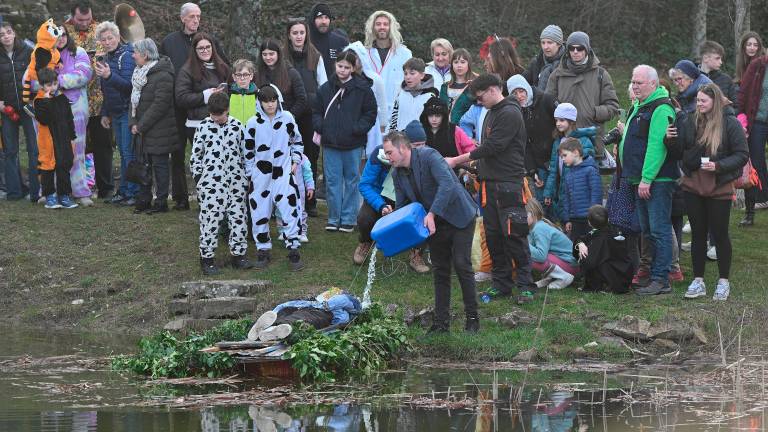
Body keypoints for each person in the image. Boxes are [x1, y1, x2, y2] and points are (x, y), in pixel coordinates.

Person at [445, 74, 537, 305]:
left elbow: (493, 146)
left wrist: (457, 160)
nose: (478, 101)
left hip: (509, 185)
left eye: (480, 96)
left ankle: (526, 285)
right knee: (494, 238)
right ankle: (502, 284)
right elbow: (487, 148)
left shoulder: (509, 113)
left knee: (514, 235)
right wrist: (474, 166)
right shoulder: (492, 112)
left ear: (493, 89)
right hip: (489, 185)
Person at [385, 131, 480, 333]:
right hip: (434, 224)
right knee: (440, 270)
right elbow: (404, 206)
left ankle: (472, 319)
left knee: (462, 264)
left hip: (459, 216)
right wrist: (392, 220)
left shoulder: (429, 156)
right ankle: (441, 323)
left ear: (403, 148)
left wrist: (432, 213)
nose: (387, 157)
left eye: (389, 152)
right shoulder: (396, 173)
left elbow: (448, 185)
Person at [675, 84, 748, 301]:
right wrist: (671, 139)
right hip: (693, 184)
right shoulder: (691, 120)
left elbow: (742, 154)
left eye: (703, 101)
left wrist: (719, 166)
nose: (699, 104)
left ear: (715, 101)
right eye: (697, 100)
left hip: (719, 185)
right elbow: (681, 150)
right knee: (698, 233)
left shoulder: (730, 123)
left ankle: (723, 281)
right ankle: (698, 281)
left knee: (720, 233)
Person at [160, 2, 229, 211]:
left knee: (209, 156)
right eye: (191, 16)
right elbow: (163, 68)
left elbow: (224, 66)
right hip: (177, 106)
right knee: (178, 153)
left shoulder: (210, 41)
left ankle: (211, 197)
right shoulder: (169, 42)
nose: (196, 20)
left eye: (198, 16)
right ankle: (181, 198)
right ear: (182, 18)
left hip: (205, 111)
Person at [618, 65, 678, 296]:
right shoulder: (640, 105)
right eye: (633, 82)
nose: (634, 86)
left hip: (657, 180)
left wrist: (647, 178)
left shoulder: (661, 108)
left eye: (639, 82)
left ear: (653, 84)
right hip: (639, 179)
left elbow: (657, 145)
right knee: (648, 231)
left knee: (659, 229)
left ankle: (661, 279)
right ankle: (653, 275)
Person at [313, 49, 377, 232]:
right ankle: (334, 218)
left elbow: (371, 112)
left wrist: (358, 129)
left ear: (353, 68)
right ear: (335, 65)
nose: (342, 70)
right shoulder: (325, 89)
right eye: (340, 66)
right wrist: (321, 127)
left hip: (353, 143)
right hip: (330, 142)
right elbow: (316, 110)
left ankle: (349, 218)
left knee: (352, 180)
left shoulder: (362, 89)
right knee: (332, 180)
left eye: (346, 67)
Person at [354, 121, 431, 273]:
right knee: (365, 218)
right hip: (380, 197)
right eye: (415, 145)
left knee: (424, 215)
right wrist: (380, 205)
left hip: (409, 199)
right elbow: (365, 184)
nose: (419, 149)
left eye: (422, 144)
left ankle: (417, 253)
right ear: (403, 145)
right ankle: (366, 242)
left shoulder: (426, 157)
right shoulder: (380, 154)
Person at [190, 92, 253, 275]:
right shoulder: (203, 127)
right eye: (213, 115)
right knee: (210, 221)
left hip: (236, 183)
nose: (216, 118)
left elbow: (245, 154)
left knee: (238, 219)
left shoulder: (238, 127)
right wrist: (199, 178)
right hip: (211, 185)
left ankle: (238, 255)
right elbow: (196, 156)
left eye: (220, 115)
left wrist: (246, 178)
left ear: (227, 110)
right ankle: (207, 258)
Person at [245, 85, 305, 271]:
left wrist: (295, 161)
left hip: (284, 173)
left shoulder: (287, 118)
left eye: (273, 101)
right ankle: (263, 250)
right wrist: (251, 173)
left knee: (289, 209)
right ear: (260, 102)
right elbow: (247, 151)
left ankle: (293, 249)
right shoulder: (253, 123)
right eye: (266, 101)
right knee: (259, 212)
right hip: (260, 177)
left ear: (277, 100)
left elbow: (297, 141)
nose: (270, 105)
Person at [65, 1, 112, 200]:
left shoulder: (101, 30)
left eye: (88, 19)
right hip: (74, 103)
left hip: (100, 98)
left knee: (103, 145)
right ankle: (73, 187)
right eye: (80, 20)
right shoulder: (63, 32)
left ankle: (105, 188)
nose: (85, 23)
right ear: (72, 17)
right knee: (74, 146)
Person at [175, 32, 230, 197]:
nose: (205, 50)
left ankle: (223, 200)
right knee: (206, 166)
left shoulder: (223, 67)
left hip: (222, 123)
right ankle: (207, 201)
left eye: (208, 47)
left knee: (223, 165)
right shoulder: (187, 70)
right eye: (201, 48)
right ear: (195, 50)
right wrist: (205, 96)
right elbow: (181, 98)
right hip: (198, 126)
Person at [546, 31, 619, 156]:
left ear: (587, 49)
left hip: (591, 142)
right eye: (571, 48)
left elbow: (613, 107)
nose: (575, 52)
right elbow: (547, 104)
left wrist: (594, 112)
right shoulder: (557, 74)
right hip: (563, 141)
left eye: (580, 48)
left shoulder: (601, 74)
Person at [284, 19, 328, 216]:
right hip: (289, 113)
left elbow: (323, 85)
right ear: (289, 35)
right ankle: (287, 197)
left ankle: (309, 203)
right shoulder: (282, 56)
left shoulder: (315, 56)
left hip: (309, 114)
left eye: (302, 32)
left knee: (309, 156)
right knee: (286, 155)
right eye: (295, 33)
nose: (299, 36)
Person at [130, 38, 177, 215]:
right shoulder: (138, 73)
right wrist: (133, 122)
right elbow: (133, 100)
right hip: (142, 130)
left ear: (146, 54)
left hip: (160, 130)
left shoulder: (163, 74)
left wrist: (140, 126)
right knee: (143, 165)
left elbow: (160, 105)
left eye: (136, 52)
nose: (133, 55)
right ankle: (144, 199)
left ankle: (161, 202)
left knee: (160, 166)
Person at [94, 21, 137, 206]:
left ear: (118, 37)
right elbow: (107, 90)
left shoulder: (126, 56)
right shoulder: (106, 58)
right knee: (123, 152)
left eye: (110, 38)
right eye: (103, 39)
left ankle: (132, 192)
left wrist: (109, 76)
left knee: (128, 153)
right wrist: (105, 113)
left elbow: (129, 86)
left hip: (127, 111)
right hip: (115, 112)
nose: (107, 41)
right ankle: (125, 191)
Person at [0, 21, 39, 201]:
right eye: (2, 34)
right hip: (6, 110)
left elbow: (38, 75)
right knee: (10, 151)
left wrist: (34, 97)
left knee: (33, 149)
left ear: (14, 33)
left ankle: (34, 191)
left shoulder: (28, 51)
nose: (6, 36)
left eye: (8, 32)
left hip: (27, 107)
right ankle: (15, 192)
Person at [55, 26, 93, 206]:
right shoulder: (44, 54)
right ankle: (54, 190)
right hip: (53, 108)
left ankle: (80, 191)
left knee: (77, 150)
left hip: (76, 107)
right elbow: (32, 79)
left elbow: (84, 75)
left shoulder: (79, 52)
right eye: (57, 35)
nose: (61, 38)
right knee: (54, 150)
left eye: (63, 34)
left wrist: (56, 82)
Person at [356, 11, 412, 126]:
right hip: (369, 112)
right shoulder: (363, 54)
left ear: (391, 27)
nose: (382, 27)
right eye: (378, 24)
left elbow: (411, 84)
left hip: (397, 114)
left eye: (385, 24)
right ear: (372, 27)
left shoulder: (404, 53)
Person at [506, 74, 557, 198]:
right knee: (543, 201)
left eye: (521, 91)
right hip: (539, 164)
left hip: (559, 157)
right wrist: (532, 170)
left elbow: (563, 123)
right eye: (514, 93)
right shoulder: (515, 112)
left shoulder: (546, 100)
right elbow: (523, 143)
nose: (519, 96)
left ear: (527, 88)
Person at [542, 103, 596, 222]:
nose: (557, 123)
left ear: (571, 121)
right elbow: (553, 170)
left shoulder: (583, 141)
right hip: (561, 188)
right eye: (556, 120)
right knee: (562, 219)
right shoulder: (558, 141)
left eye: (562, 120)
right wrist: (548, 192)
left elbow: (588, 166)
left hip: (576, 189)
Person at [33, 68, 78, 209]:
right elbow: (44, 119)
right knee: (48, 166)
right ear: (42, 85)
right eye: (48, 85)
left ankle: (64, 195)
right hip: (48, 140)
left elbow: (69, 119)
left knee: (64, 165)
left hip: (63, 137)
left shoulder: (63, 98)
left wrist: (72, 136)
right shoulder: (39, 101)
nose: (52, 87)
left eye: (54, 83)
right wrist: (46, 100)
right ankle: (50, 196)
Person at [737, 50, 768, 225]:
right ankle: (750, 213)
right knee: (753, 165)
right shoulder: (757, 66)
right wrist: (740, 119)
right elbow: (743, 93)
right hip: (757, 122)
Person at [573, 205, 634, 293]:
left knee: (589, 258)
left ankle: (602, 285)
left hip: (616, 278)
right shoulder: (610, 229)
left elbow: (590, 262)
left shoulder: (601, 239)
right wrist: (580, 244)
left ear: (589, 222)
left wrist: (581, 259)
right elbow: (583, 238)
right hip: (624, 274)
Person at [526, 198, 577, 290]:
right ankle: (551, 277)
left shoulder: (539, 228)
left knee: (528, 255)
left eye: (524, 214)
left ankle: (564, 277)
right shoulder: (534, 226)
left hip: (570, 265)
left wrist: (523, 243)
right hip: (564, 261)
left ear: (533, 213)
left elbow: (540, 256)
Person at [558, 137, 602, 241]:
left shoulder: (590, 170)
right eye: (561, 157)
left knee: (591, 247)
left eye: (565, 155)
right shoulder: (568, 174)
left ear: (576, 152)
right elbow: (566, 198)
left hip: (589, 220)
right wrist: (567, 219)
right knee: (576, 247)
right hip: (575, 220)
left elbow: (596, 195)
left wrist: (593, 217)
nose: (563, 159)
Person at [254, 38, 307, 120]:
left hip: (286, 122)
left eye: (271, 54)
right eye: (264, 54)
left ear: (278, 54)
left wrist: (289, 116)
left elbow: (301, 99)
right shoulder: (257, 75)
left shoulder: (292, 73)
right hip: (264, 121)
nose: (268, 57)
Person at [387, 57, 438, 132]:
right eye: (405, 73)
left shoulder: (430, 96)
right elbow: (394, 118)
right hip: (401, 139)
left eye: (412, 73)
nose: (408, 77)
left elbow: (433, 122)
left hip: (421, 140)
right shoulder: (401, 94)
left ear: (422, 75)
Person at [307, 3, 348, 79]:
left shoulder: (341, 41)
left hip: (337, 88)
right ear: (313, 20)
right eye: (320, 17)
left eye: (326, 17)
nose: (324, 21)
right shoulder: (304, 42)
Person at [522, 24, 565, 92]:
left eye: (549, 43)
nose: (545, 47)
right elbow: (521, 82)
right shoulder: (536, 62)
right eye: (543, 43)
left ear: (559, 44)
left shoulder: (566, 63)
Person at [439, 48, 478, 120]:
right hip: (444, 129)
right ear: (452, 65)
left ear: (468, 64)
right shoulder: (444, 87)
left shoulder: (473, 87)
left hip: (464, 129)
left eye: (463, 62)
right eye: (456, 62)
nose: (459, 65)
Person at [699, 41, 737, 107]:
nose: (721, 62)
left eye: (721, 58)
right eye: (717, 58)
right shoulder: (692, 79)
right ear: (705, 58)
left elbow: (736, 106)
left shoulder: (726, 80)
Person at [228, 59, 258, 124]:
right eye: (238, 75)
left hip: (252, 131)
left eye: (245, 74)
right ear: (234, 77)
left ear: (251, 76)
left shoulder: (258, 95)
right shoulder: (228, 94)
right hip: (234, 131)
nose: (242, 78)